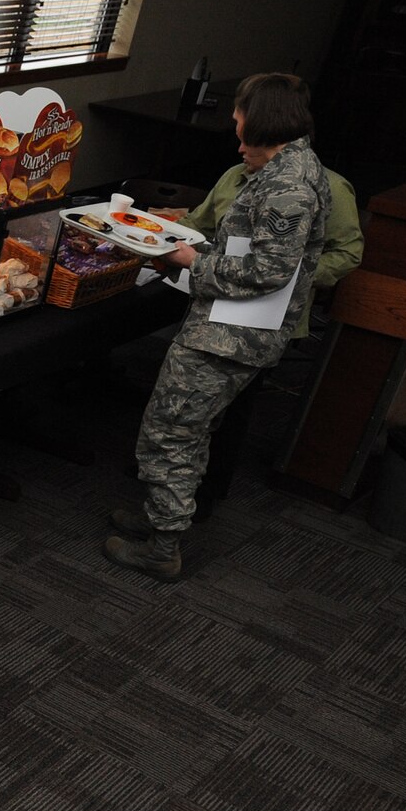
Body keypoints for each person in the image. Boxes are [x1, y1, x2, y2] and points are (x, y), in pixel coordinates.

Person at [105, 74, 331, 580]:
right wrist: (194, 255)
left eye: (239, 121)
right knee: (187, 428)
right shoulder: (291, 168)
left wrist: (191, 261)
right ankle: (159, 517)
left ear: (263, 120)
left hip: (231, 334)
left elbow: (268, 271)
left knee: (171, 432)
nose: (236, 132)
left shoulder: (288, 187)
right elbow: (252, 251)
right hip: (232, 324)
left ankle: (162, 547)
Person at [189, 158, 362, 516]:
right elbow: (197, 223)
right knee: (190, 402)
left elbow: (348, 253)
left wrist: (287, 277)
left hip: (265, 317)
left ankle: (205, 493)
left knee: (230, 410)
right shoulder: (234, 174)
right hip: (213, 305)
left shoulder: (328, 185)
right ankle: (172, 481)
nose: (241, 146)